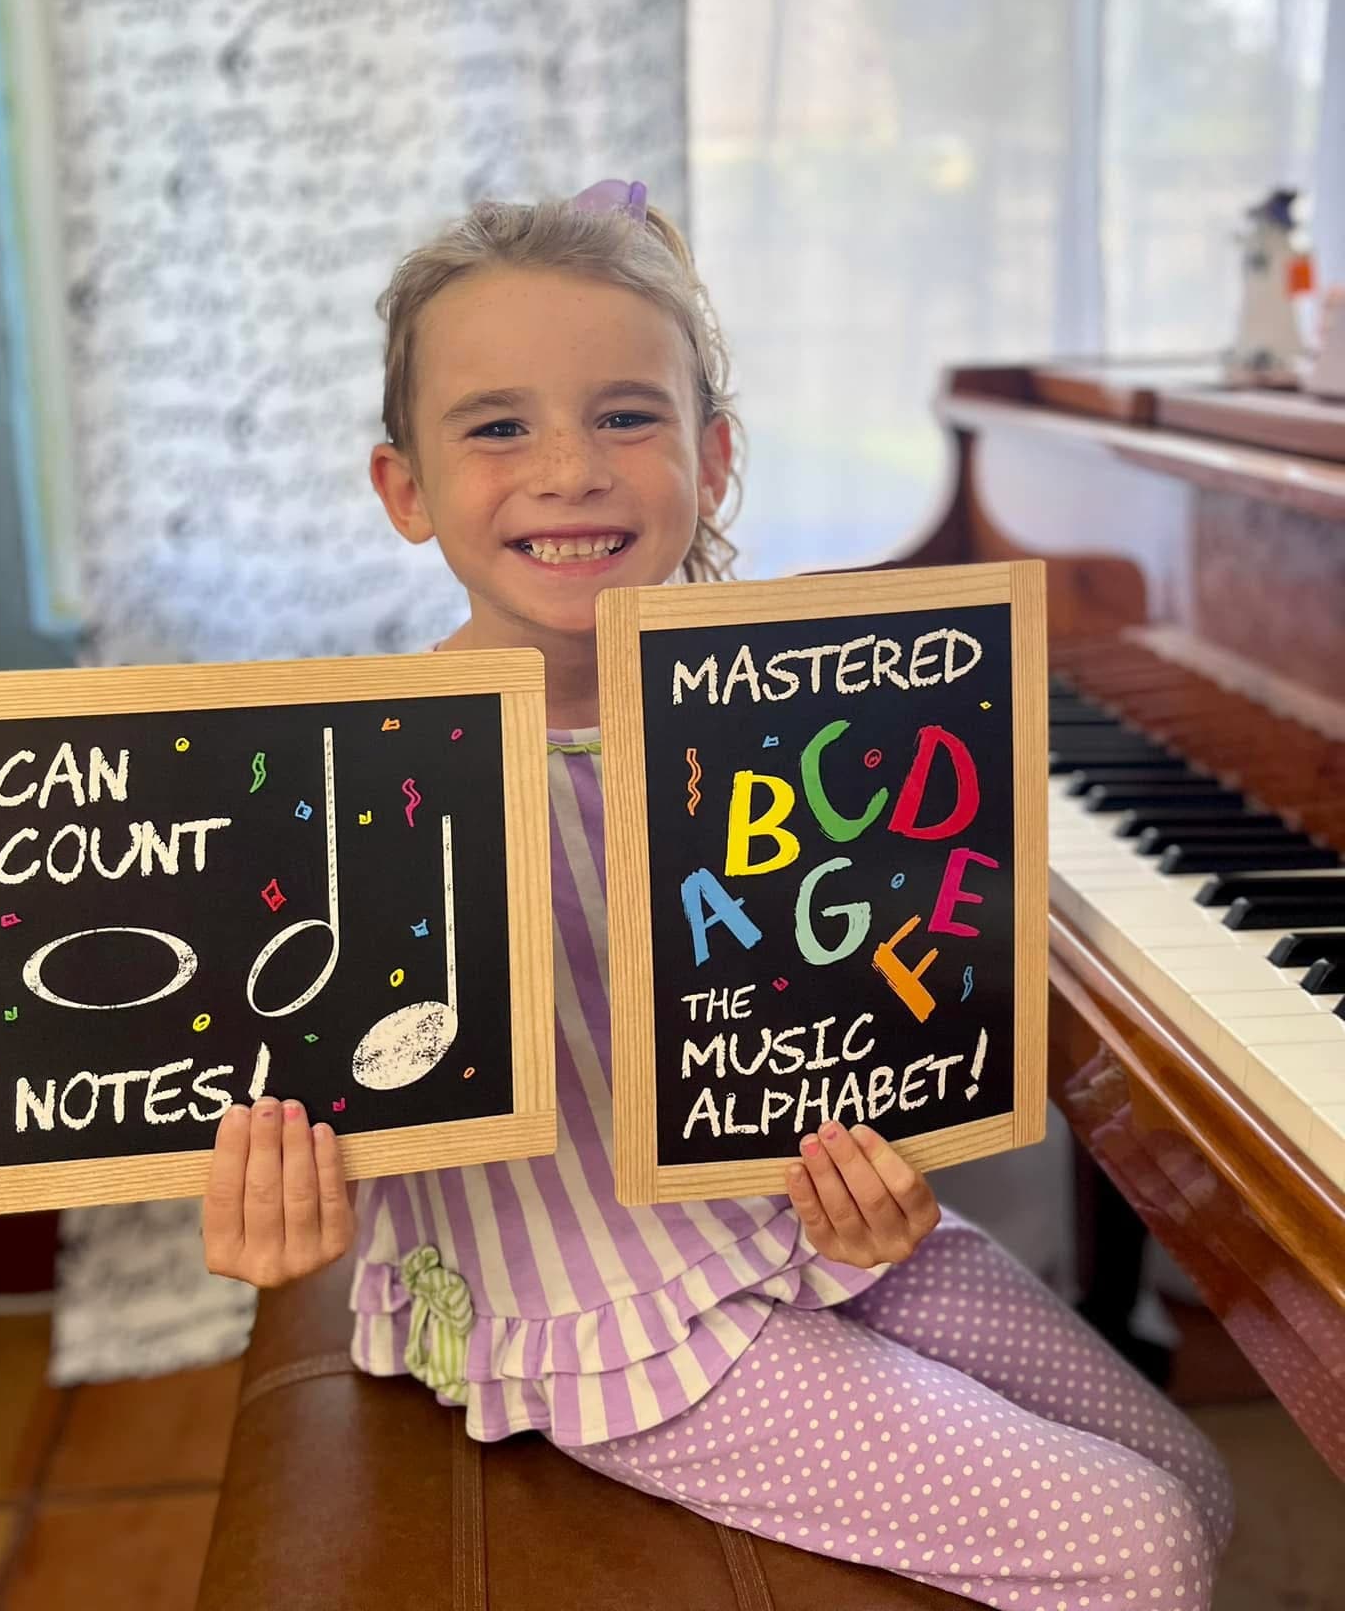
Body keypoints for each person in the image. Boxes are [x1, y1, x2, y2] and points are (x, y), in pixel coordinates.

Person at [202, 181, 1233, 1608]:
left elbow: (833, 1014)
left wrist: (881, 1162)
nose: (570, 469)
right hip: (582, 1302)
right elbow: (288, 1062)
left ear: (714, 457)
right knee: (1140, 1543)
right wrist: (276, 1208)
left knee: (1192, 1477)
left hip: (797, 1229)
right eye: (498, 425)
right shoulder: (360, 769)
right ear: (405, 489)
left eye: (627, 414)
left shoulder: (781, 720)